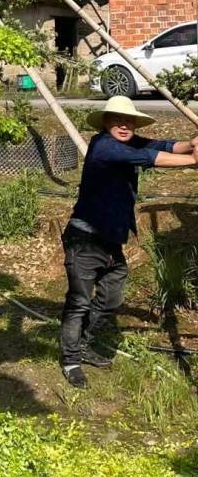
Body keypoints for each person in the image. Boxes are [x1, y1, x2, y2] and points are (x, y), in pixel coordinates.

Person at [59, 94, 198, 388]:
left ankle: (83, 341)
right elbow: (152, 158)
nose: (124, 126)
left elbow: (159, 146)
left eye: (129, 122)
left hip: (110, 241)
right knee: (79, 302)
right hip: (84, 239)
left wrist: (191, 143)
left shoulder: (127, 142)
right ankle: (71, 360)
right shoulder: (105, 147)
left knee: (112, 297)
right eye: (117, 121)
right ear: (106, 123)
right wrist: (193, 159)